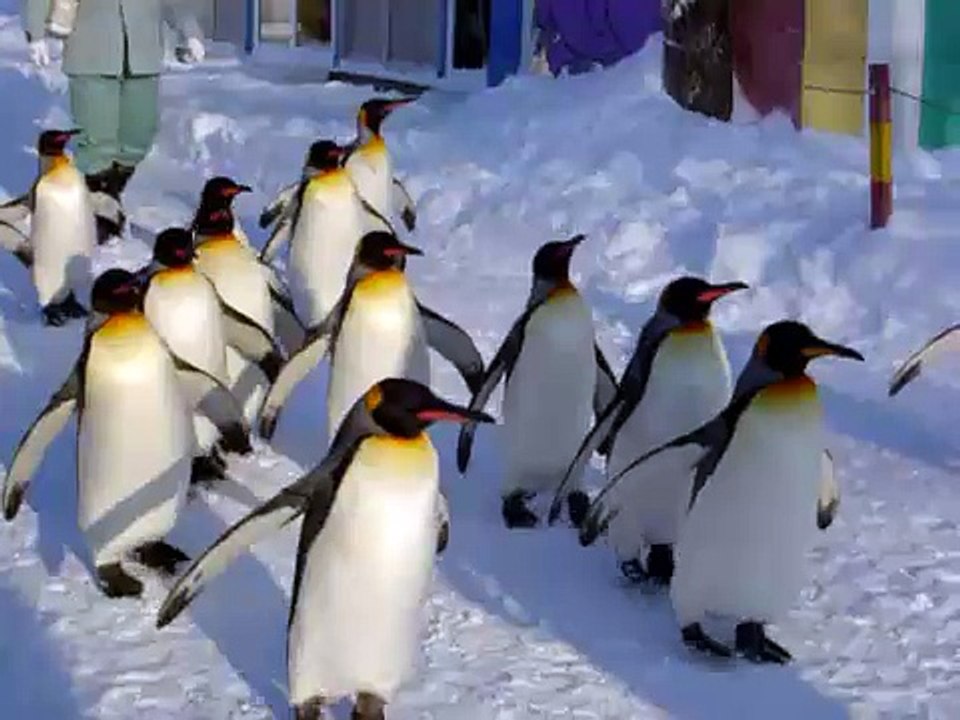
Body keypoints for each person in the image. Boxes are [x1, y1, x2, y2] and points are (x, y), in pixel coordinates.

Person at [22, 0, 206, 242]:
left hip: (143, 52)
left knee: (139, 135)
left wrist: (190, 32)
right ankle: (101, 207)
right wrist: (35, 33)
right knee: (96, 140)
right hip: (90, 51)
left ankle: (110, 192)